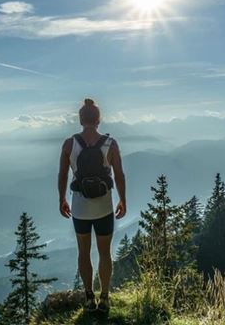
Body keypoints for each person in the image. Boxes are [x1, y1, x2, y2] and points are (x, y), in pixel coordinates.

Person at [58, 98, 126, 314]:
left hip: (80, 208)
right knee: (105, 253)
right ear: (98, 119)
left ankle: (89, 297)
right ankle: (104, 297)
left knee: (83, 252)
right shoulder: (111, 144)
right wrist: (123, 200)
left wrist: (62, 199)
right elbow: (119, 175)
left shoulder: (69, 144)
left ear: (80, 119)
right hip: (104, 207)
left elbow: (62, 174)